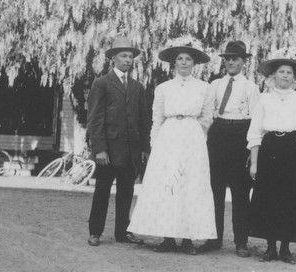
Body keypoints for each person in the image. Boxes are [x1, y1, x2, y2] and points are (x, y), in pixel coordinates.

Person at [127, 45, 217, 255]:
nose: (184, 62)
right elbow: (157, 118)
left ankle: (186, 239)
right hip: (168, 137)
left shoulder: (205, 88)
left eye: (188, 59)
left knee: (190, 184)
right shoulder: (163, 88)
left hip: (192, 136)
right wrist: (155, 144)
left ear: (194, 63)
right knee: (168, 183)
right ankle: (167, 237)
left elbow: (206, 118)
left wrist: (196, 137)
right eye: (180, 59)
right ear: (174, 63)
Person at [247, 58, 296, 265]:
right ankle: (270, 248)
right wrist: (254, 163)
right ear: (274, 76)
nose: (285, 76)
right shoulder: (264, 99)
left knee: (290, 199)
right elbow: (255, 132)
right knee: (268, 198)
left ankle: (285, 248)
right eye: (281, 72)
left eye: (289, 72)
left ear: (294, 77)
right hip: (269, 149)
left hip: (292, 150)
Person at [198, 41, 260, 257]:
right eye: (228, 58)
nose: (231, 62)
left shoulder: (251, 87)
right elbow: (207, 114)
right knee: (214, 189)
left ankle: (241, 242)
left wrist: (251, 150)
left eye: (236, 58)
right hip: (218, 132)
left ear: (244, 62)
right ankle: (213, 238)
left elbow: (256, 121)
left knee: (241, 191)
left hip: (240, 132)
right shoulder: (214, 85)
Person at [87, 37, 150, 247]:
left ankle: (122, 232)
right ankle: (95, 231)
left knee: (126, 192)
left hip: (131, 151)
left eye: (131, 56)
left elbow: (143, 120)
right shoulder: (102, 83)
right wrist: (100, 149)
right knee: (102, 191)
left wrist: (143, 149)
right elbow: (95, 119)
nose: (127, 60)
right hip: (108, 151)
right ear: (113, 58)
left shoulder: (137, 87)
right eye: (123, 55)